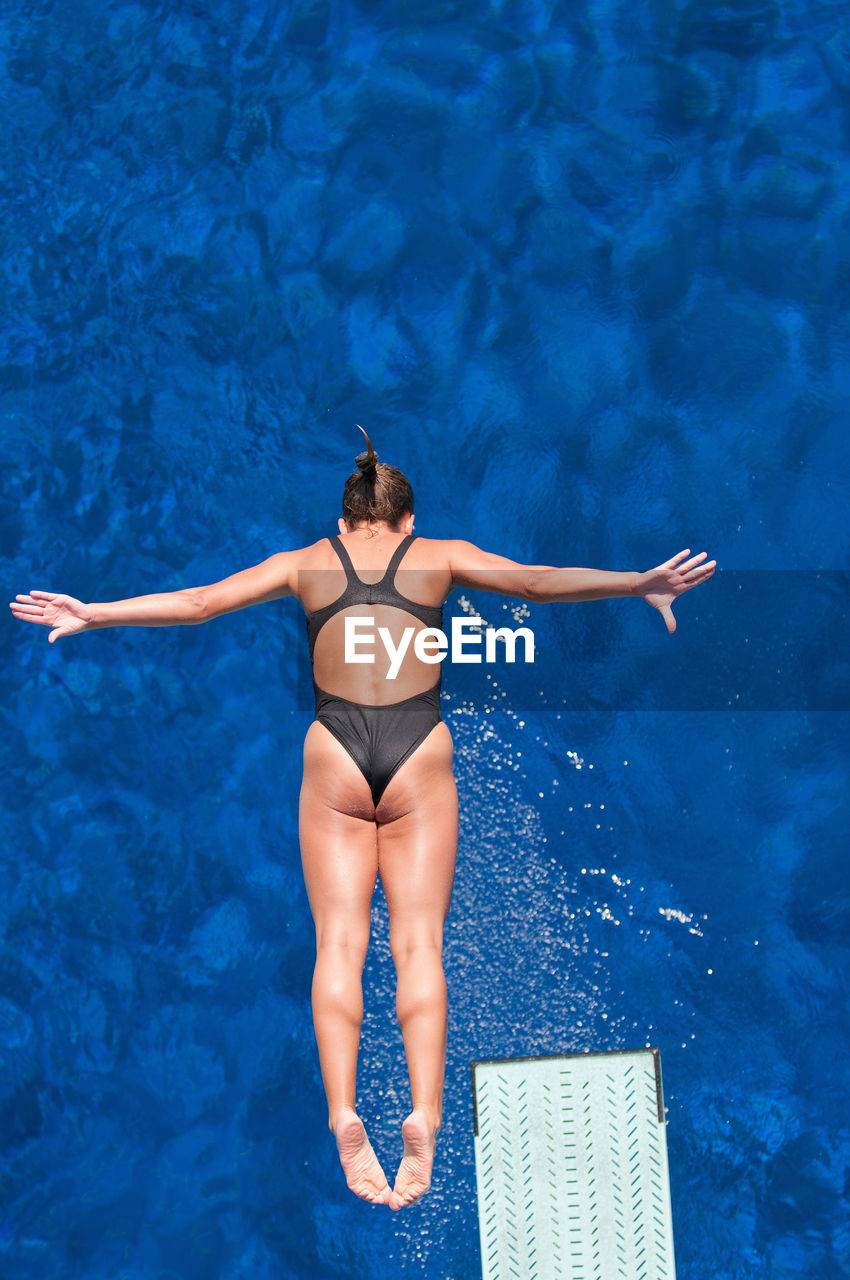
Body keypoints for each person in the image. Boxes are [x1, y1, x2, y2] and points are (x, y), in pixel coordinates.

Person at [9, 429, 715, 1210]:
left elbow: (200, 603)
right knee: (418, 948)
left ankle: (346, 1113)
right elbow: (537, 583)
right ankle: (425, 1115)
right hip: (417, 752)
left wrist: (95, 612)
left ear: (344, 524)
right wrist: (635, 582)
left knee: (339, 947)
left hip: (336, 753)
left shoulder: (305, 565)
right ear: (406, 523)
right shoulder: (437, 557)